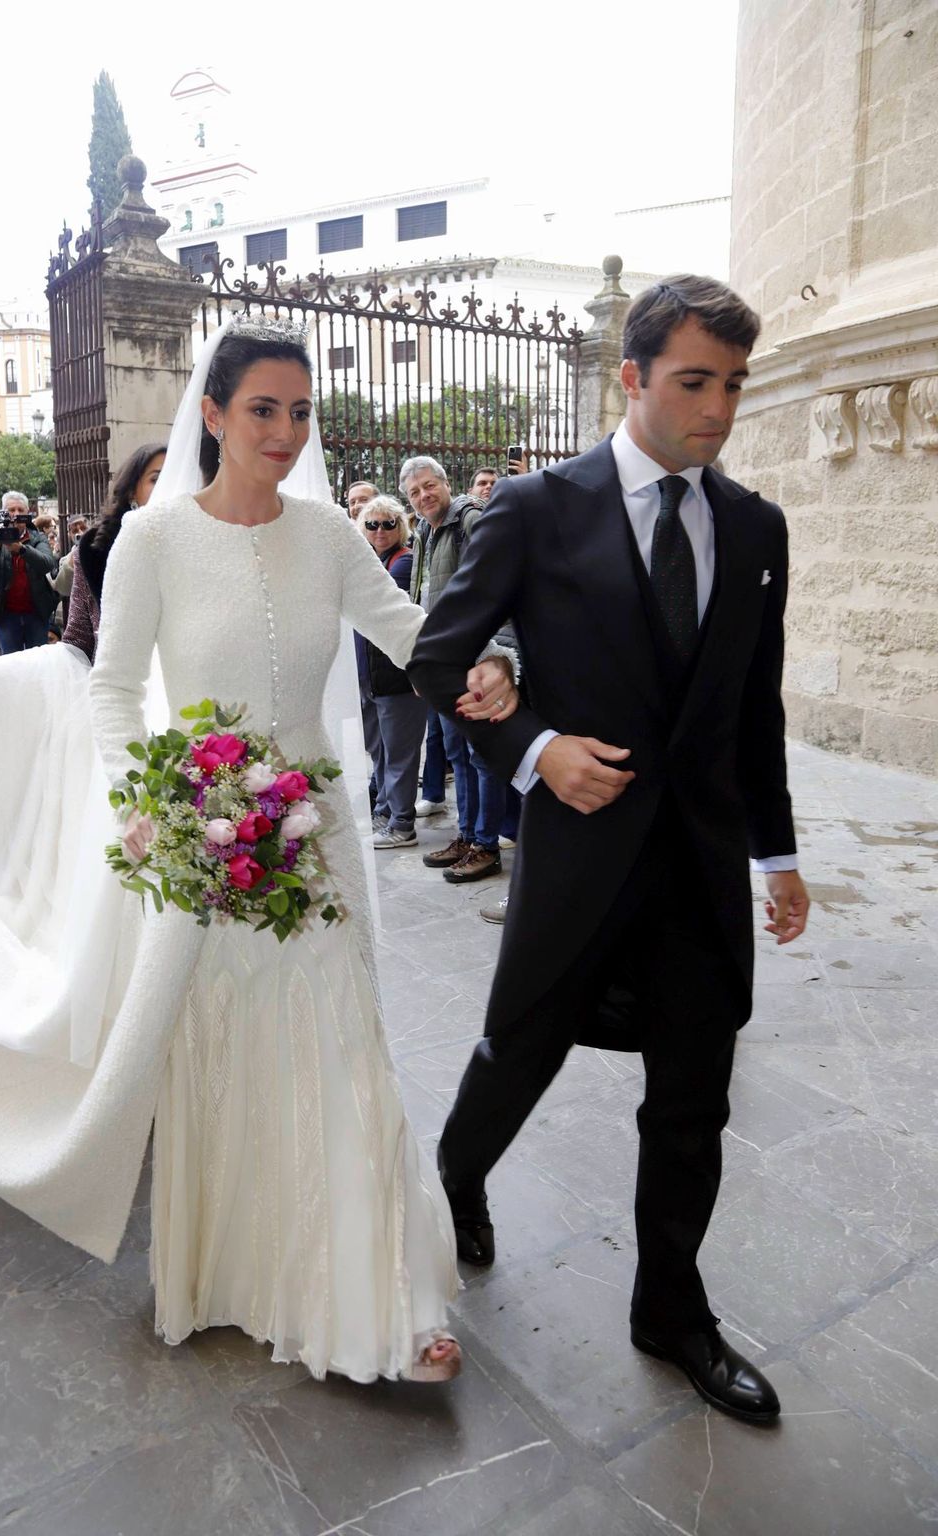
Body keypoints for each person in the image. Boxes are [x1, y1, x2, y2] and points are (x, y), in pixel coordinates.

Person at [0, 315, 516, 1391]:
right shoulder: (154, 539)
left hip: (311, 830)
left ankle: (373, 1288)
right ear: (214, 414)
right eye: (261, 410)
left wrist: (486, 666)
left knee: (336, 1037)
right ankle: (237, 1273)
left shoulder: (329, 532)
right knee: (221, 1046)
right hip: (200, 829)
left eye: (298, 412)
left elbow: (407, 627)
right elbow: (109, 688)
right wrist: (146, 805)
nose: (284, 432)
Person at [408, 274, 811, 1425]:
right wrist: (535, 750)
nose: (719, 409)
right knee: (516, 1053)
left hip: (698, 869)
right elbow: (439, 660)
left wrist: (775, 855)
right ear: (629, 378)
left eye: (733, 383)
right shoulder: (536, 507)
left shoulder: (754, 527)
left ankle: (671, 1311)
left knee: (693, 1098)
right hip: (576, 857)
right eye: (694, 382)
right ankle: (458, 1177)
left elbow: (753, 708)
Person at [404, 456, 506, 884]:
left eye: (430, 486)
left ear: (446, 484)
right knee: (457, 755)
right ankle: (466, 836)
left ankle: (486, 844)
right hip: (443, 662)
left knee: (483, 757)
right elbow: (419, 599)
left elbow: (493, 585)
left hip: (475, 658)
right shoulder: (425, 531)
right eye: (414, 492)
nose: (424, 496)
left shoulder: (469, 518)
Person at [354, 495, 428, 849]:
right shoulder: (371, 561)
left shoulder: (402, 562)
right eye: (372, 524)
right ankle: (385, 810)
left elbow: (377, 607)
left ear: (401, 527)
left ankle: (402, 823)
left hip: (397, 676)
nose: (380, 530)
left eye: (388, 523)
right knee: (380, 750)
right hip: (372, 678)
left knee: (399, 754)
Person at [62, 445, 166, 663]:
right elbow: (78, 633)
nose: (167, 484)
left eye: (173, 472)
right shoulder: (95, 547)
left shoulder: (192, 538)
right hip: (119, 670)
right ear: (131, 491)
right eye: (156, 479)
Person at [0, 492, 58, 653]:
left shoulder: (38, 538)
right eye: (11, 510)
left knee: (36, 662)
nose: (15, 514)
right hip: (5, 615)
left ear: (27, 513)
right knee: (11, 664)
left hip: (36, 612)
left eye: (20, 510)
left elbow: (47, 564)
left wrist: (22, 549)